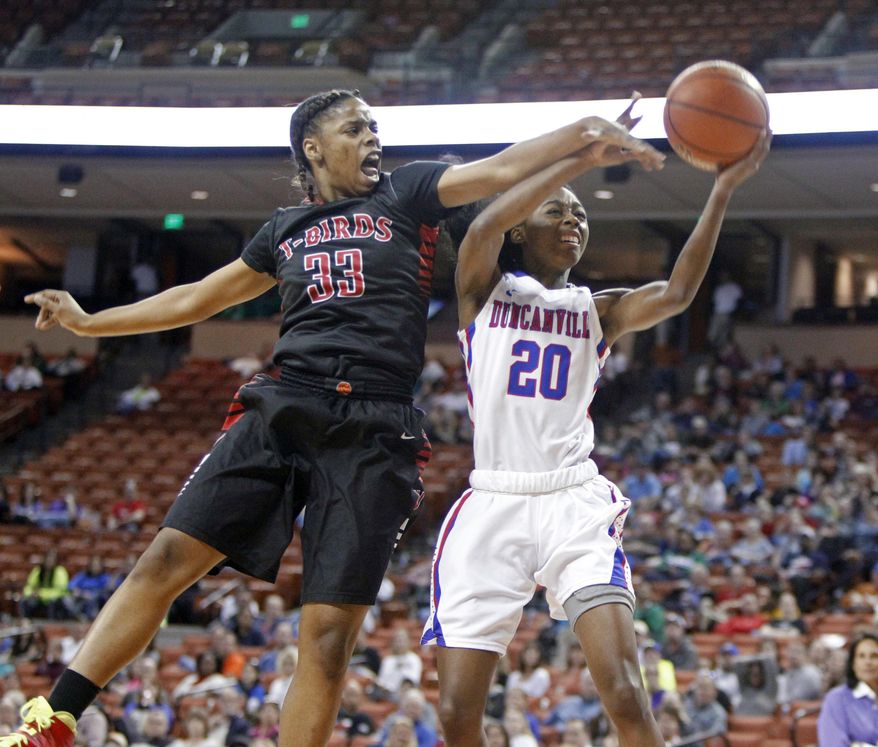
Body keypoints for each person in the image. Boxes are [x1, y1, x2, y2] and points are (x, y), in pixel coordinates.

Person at [6, 87, 662, 747]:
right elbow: (200, 295)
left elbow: (499, 170)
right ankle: (55, 719)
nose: (372, 136)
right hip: (286, 401)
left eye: (375, 126)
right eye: (356, 128)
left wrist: (581, 138)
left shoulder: (406, 195)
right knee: (166, 559)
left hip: (377, 430)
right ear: (314, 148)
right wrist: (91, 322)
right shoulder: (285, 227)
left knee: (325, 639)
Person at [420, 103, 770, 747]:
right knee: (455, 714)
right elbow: (485, 223)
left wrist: (721, 189)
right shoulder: (482, 291)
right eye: (557, 209)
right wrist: (581, 156)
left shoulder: (596, 310)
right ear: (522, 229)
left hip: (571, 504)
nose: (574, 218)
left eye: (582, 211)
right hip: (493, 500)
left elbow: (676, 294)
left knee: (627, 693)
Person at [817, 632, 878, 746]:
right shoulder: (837, 699)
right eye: (861, 656)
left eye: (874, 656)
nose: (868, 662)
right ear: (853, 664)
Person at [707, 270, 742, 350]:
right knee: (712, 334)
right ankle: (712, 352)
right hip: (718, 313)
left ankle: (721, 354)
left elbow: (740, 301)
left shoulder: (734, 287)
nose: (723, 278)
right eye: (722, 277)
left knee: (724, 336)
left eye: (725, 276)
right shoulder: (719, 288)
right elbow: (714, 302)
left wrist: (736, 314)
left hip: (728, 313)